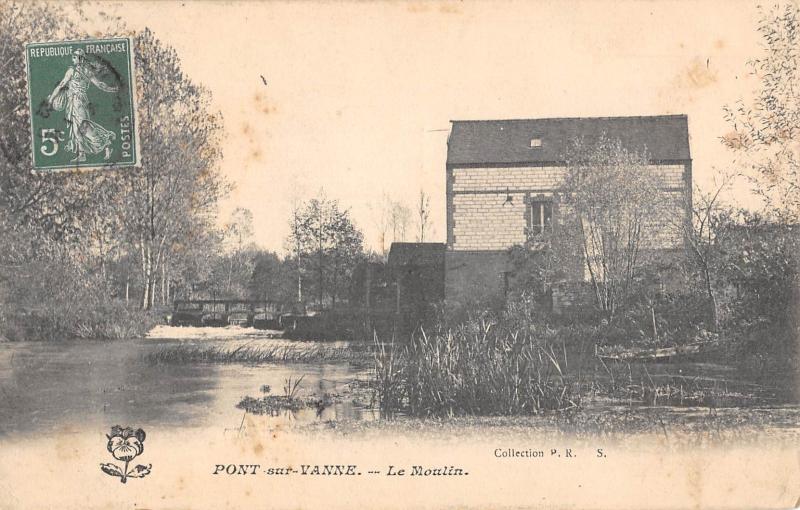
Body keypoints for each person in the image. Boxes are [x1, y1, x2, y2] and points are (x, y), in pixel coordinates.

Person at [47, 49, 119, 163]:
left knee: (83, 127)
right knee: (77, 131)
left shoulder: (76, 71)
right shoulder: (85, 71)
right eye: (73, 56)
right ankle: (82, 154)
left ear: (80, 58)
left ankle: (106, 143)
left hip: (78, 102)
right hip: (74, 102)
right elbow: (100, 85)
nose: (73, 58)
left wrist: (51, 99)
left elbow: (61, 85)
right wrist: (111, 89)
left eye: (75, 57)